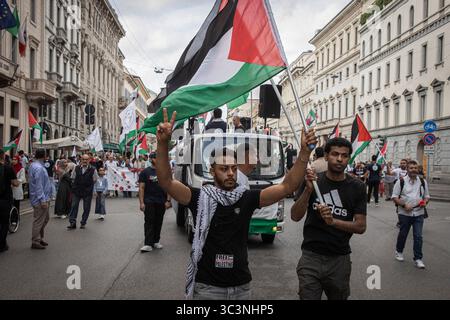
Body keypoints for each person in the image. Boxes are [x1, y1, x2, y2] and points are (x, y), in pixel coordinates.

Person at [155, 108, 317, 300]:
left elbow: (287, 186)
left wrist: (304, 153)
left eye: (233, 168)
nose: (231, 173)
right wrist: (162, 144)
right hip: (208, 288)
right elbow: (166, 182)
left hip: (241, 287)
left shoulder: (245, 197)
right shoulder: (199, 197)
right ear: (212, 171)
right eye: (224, 169)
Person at [291, 138, 367, 300]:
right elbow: (295, 216)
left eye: (344, 156)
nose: (339, 159)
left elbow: (360, 226)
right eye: (335, 154)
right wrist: (308, 191)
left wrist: (333, 222)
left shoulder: (357, 187)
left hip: (339, 259)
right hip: (311, 257)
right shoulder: (313, 181)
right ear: (326, 156)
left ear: (348, 159)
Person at [392, 160, 430, 269]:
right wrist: (404, 206)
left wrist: (425, 202)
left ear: (418, 169)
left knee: (418, 236)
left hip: (419, 213)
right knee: (403, 233)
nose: (414, 170)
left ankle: (418, 258)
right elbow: (394, 197)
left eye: (415, 168)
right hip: (404, 214)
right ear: (407, 169)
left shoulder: (422, 181)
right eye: (411, 168)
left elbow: (427, 196)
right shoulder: (401, 181)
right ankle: (399, 251)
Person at [138, 152, 170, 253]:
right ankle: (148, 244)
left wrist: (168, 200)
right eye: (156, 158)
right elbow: (141, 188)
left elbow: (169, 187)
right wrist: (142, 202)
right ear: (151, 159)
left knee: (158, 221)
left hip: (161, 201)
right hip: (149, 201)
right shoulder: (145, 172)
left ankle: (156, 241)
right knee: (149, 222)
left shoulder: (165, 171)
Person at [28, 149, 53, 250]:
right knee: (39, 220)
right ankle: (35, 241)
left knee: (45, 218)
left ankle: (40, 238)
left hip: (42, 197)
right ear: (44, 156)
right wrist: (42, 200)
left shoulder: (34, 165)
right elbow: (38, 185)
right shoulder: (38, 168)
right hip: (40, 199)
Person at [67, 154, 99, 229]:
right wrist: (74, 187)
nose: (84, 161)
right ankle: (72, 222)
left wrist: (93, 190)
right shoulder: (76, 168)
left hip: (87, 191)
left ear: (89, 160)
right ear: (81, 160)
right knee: (74, 206)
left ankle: (83, 222)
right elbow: (73, 178)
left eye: (86, 159)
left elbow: (95, 180)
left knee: (86, 207)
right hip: (77, 190)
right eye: (83, 159)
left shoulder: (93, 169)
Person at [0, 150, 19, 252]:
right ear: (3, 156)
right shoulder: (8, 168)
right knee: (4, 222)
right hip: (4, 199)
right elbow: (15, 183)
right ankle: (2, 245)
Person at [11, 156, 26, 226]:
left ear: (18, 160)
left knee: (16, 205)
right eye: (13, 159)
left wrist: (16, 182)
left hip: (17, 188)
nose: (13, 161)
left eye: (15, 160)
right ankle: (11, 218)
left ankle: (15, 219)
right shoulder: (10, 167)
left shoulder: (21, 169)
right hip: (10, 189)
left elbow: (22, 178)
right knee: (10, 205)